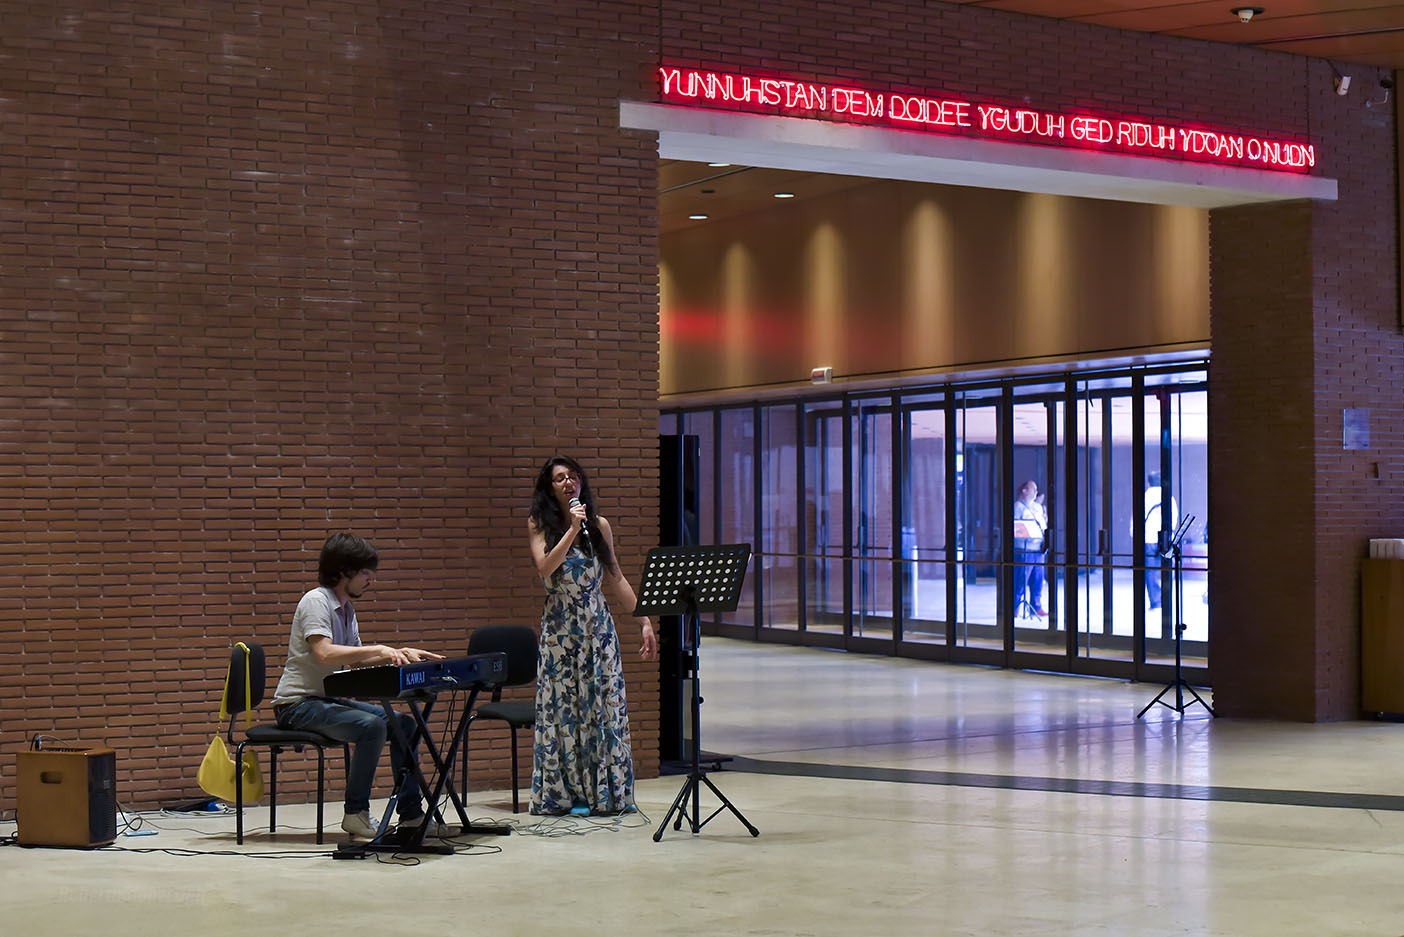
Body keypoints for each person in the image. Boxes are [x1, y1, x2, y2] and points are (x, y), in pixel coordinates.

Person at [271, 532, 446, 841]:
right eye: (366, 572)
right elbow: (324, 654)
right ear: (344, 571)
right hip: (297, 705)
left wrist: (399, 654)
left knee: (403, 724)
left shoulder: (347, 609)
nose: (371, 579)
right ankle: (355, 813)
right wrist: (380, 649)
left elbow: (356, 662)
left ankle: (410, 815)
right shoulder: (316, 601)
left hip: (326, 701)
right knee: (372, 727)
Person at [527, 455, 658, 816]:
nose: (569, 483)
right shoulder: (540, 524)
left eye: (573, 477)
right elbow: (545, 568)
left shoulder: (599, 525)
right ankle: (567, 794)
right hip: (560, 629)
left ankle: (606, 792)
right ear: (549, 488)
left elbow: (615, 577)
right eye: (559, 479)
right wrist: (570, 529)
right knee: (565, 711)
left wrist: (643, 621)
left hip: (596, 625)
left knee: (602, 707)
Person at [1143, 472, 1178, 611]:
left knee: (1150, 572)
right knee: (1167, 569)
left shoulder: (1144, 497)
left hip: (1148, 538)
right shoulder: (1169, 497)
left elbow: (1136, 520)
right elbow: (1173, 518)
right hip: (1165, 540)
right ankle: (1167, 598)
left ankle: (1155, 601)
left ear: (1149, 482)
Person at [1013, 480, 1047, 618]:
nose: (1035, 492)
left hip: (1038, 548)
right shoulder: (1018, 507)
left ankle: (1036, 606)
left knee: (1038, 579)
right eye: (1033, 489)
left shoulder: (1038, 507)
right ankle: (1015, 607)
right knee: (1021, 579)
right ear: (1024, 491)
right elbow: (1016, 527)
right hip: (1024, 548)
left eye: (1036, 489)